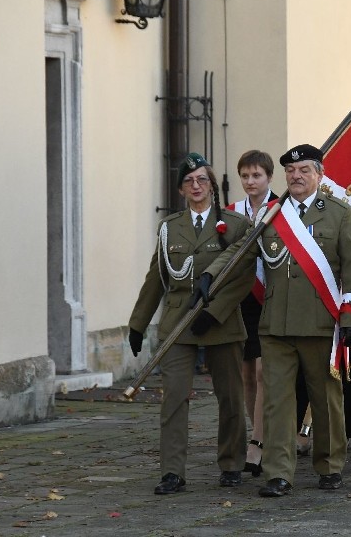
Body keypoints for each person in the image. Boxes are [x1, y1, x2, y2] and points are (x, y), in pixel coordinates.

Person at [200, 144, 351, 497]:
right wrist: (211, 276)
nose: (297, 176)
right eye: (291, 171)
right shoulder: (272, 214)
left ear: (319, 175)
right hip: (275, 325)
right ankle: (278, 472)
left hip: (321, 323)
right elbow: (240, 250)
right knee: (277, 400)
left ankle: (330, 464)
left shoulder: (337, 214)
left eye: (304, 170)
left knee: (325, 398)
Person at [128, 152, 256, 494]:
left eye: (201, 179)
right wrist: (138, 324)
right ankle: (172, 472)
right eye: (188, 181)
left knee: (230, 397)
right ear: (182, 190)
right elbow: (156, 277)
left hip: (221, 320)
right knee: (174, 397)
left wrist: (213, 313)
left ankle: (231, 464)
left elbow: (243, 277)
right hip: (177, 322)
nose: (195, 186)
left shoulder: (235, 225)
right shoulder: (170, 228)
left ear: (211, 185)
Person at [225, 149, 278, 476]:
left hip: (271, 297)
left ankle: (258, 442)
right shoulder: (232, 213)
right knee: (246, 374)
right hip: (243, 300)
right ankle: (255, 431)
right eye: (245, 175)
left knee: (263, 373)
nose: (250, 181)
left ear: (269, 177)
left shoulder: (280, 209)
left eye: (256, 175)